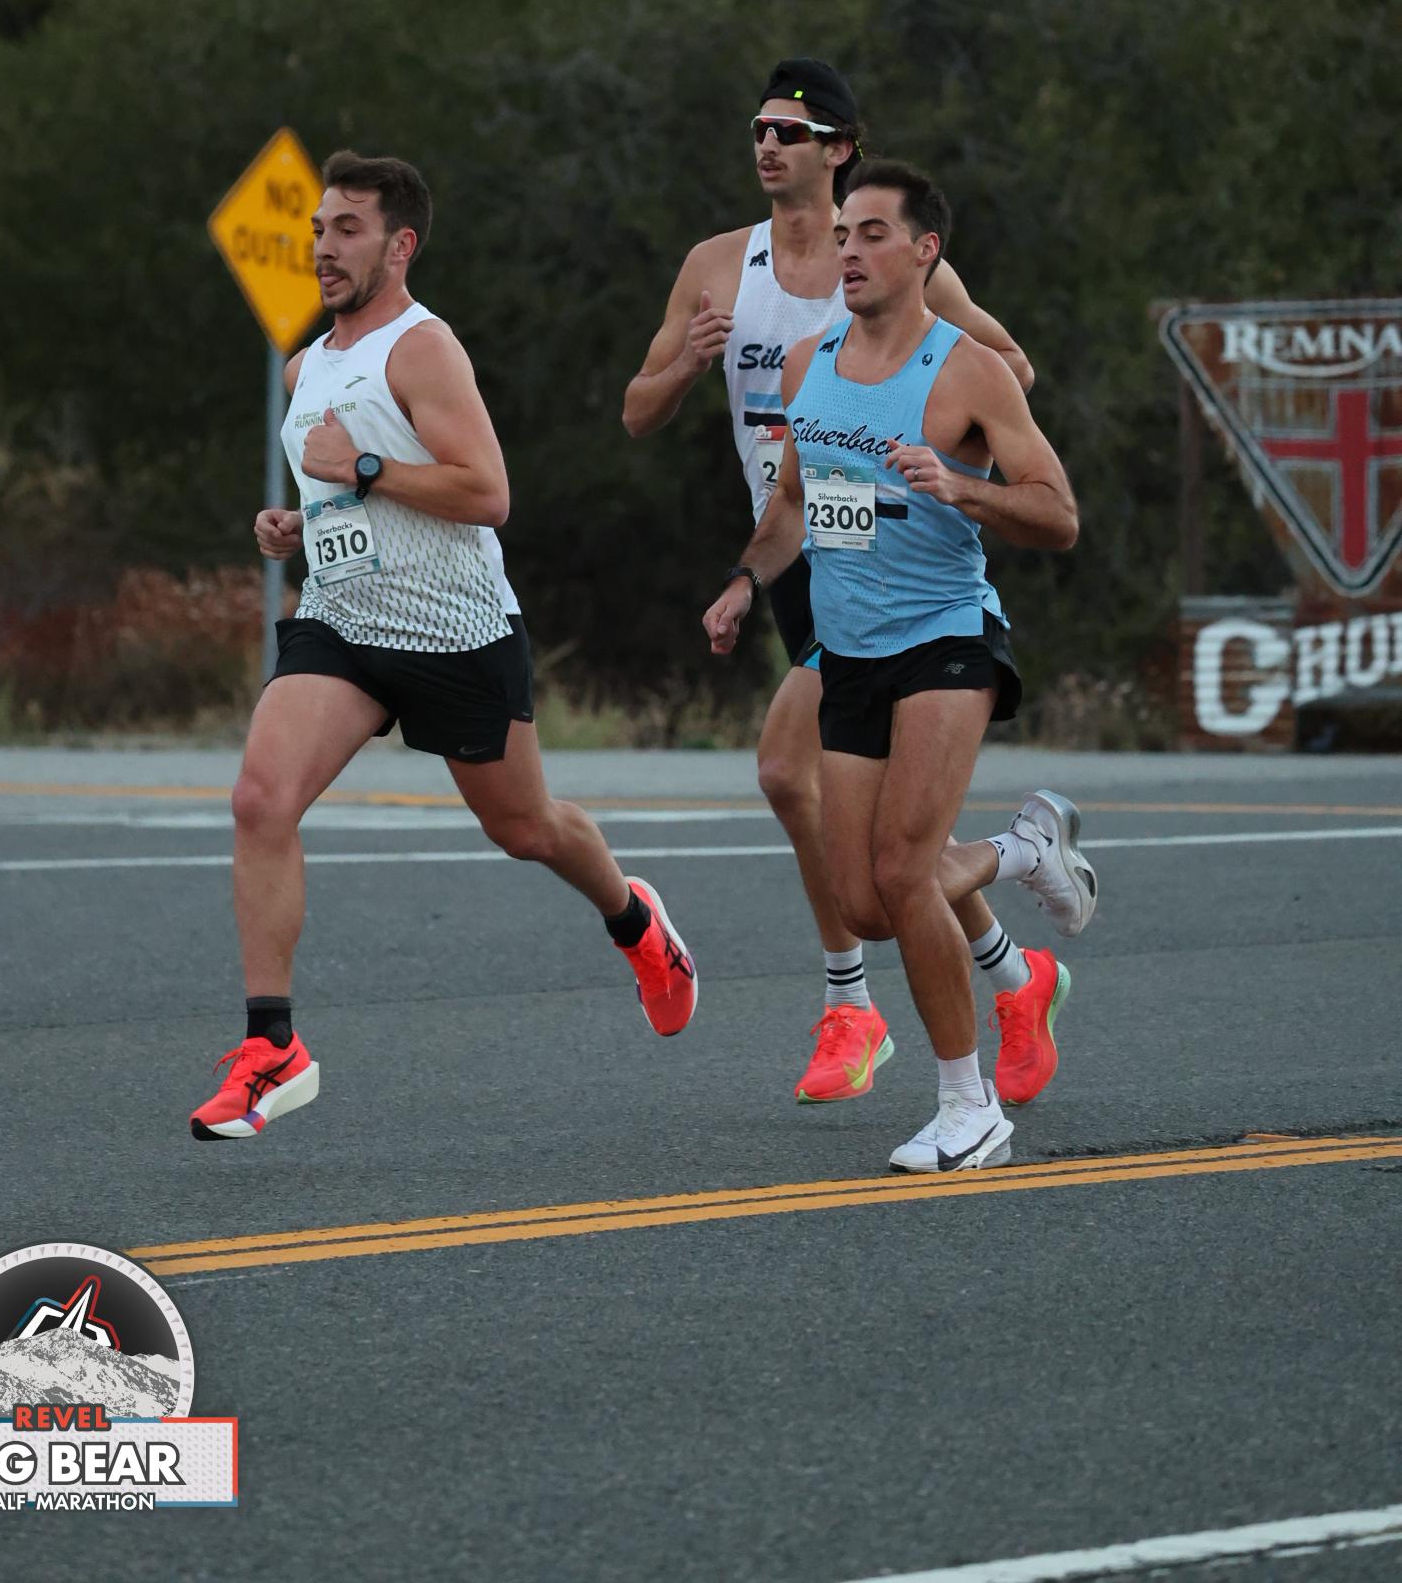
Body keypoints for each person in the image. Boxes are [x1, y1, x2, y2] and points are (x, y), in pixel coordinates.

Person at [192, 150, 697, 1141]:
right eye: (318, 230)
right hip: (342, 626)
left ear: (400, 245)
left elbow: (486, 492)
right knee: (259, 799)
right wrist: (300, 523)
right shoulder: (305, 367)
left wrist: (364, 469)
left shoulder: (423, 350)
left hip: (455, 634)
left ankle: (635, 921)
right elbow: (341, 491)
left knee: (528, 830)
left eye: (347, 230)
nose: (324, 248)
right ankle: (272, 1046)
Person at [625, 60, 1064, 1111]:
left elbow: (1009, 370)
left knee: (790, 775)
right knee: (886, 852)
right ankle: (1014, 973)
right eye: (758, 128)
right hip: (795, 548)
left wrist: (915, 428)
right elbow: (638, 411)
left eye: (789, 130)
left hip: (887, 563)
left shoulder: (890, 260)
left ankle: (851, 1004)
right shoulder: (717, 266)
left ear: (840, 148)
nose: (766, 144)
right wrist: (686, 365)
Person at [701, 158, 1095, 1173]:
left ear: (925, 251)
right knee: (869, 905)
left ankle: (968, 1106)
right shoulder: (808, 365)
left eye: (872, 234)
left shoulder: (968, 370)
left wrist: (966, 491)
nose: (849, 251)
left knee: (904, 873)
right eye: (844, 235)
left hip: (946, 639)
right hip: (850, 654)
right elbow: (792, 506)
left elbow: (1056, 513)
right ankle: (1020, 851)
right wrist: (745, 581)